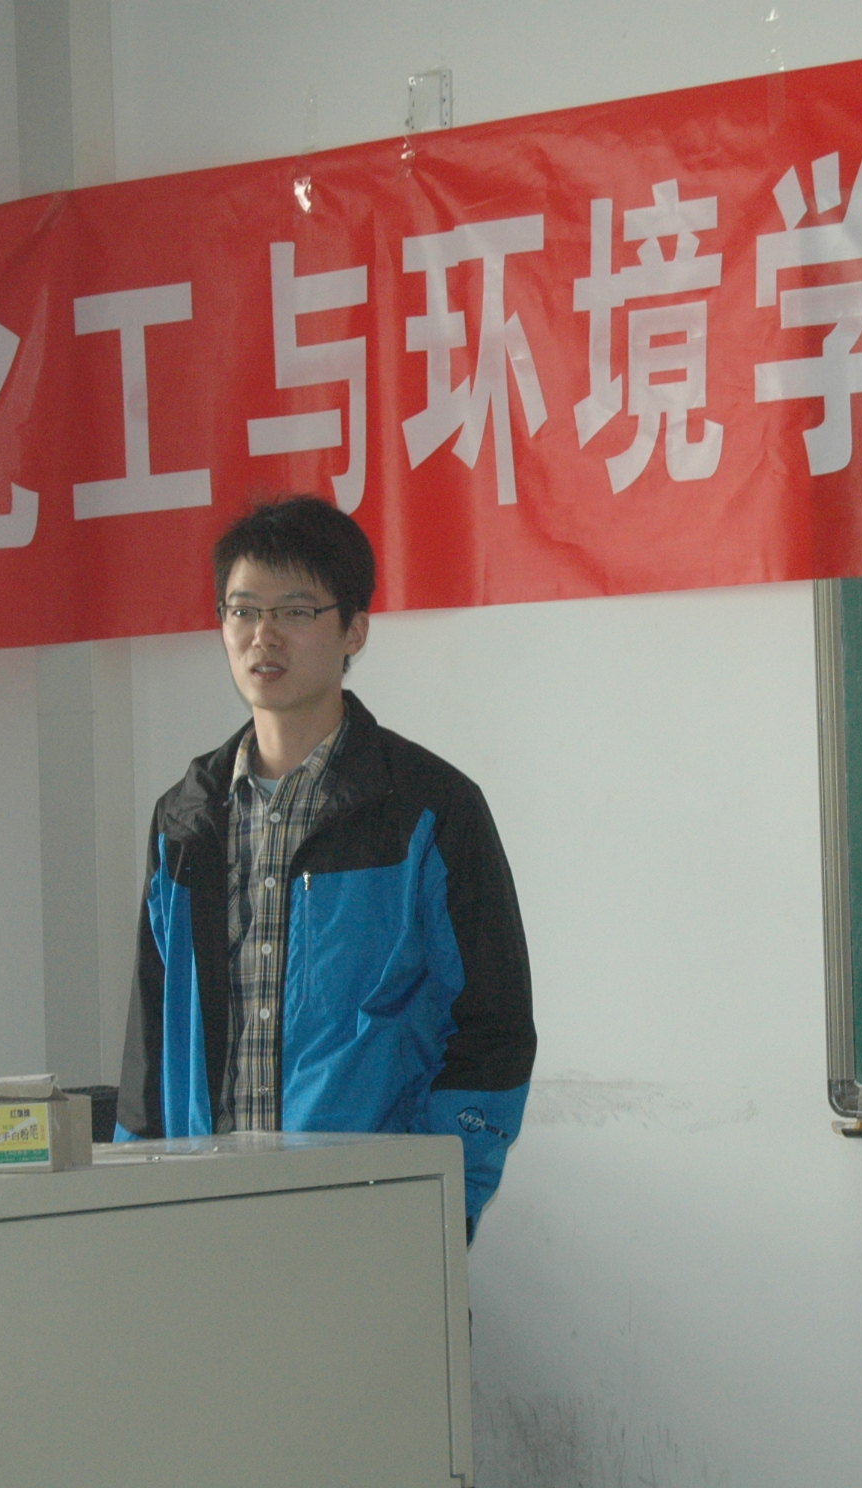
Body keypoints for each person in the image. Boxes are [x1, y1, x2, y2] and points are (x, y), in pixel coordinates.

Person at [114, 496, 535, 1235]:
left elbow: (492, 1032)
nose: (263, 635)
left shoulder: (428, 810)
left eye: (296, 611)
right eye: (243, 611)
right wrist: (132, 1205)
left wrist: (439, 1203)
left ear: (354, 631)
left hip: (366, 1219)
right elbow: (151, 1043)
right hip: (201, 1219)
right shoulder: (186, 818)